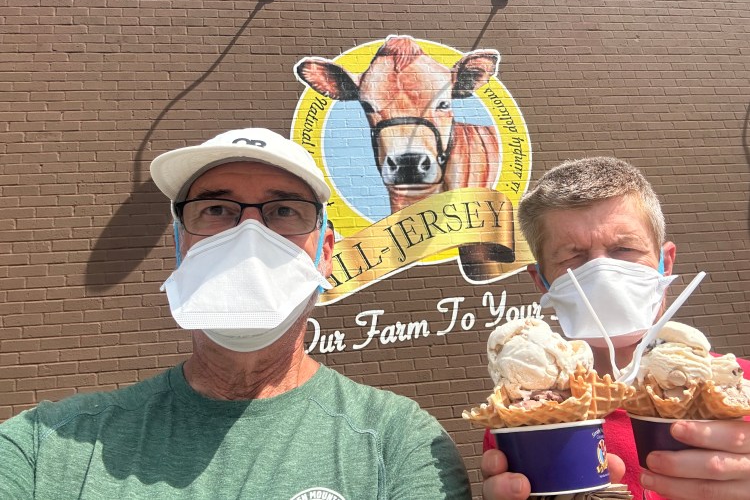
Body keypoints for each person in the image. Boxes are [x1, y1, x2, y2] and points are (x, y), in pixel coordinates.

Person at [0, 127, 471, 499]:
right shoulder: (46, 447)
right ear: (180, 244)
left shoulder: (399, 445)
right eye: (217, 209)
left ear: (324, 253)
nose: (248, 235)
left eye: (283, 211)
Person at [480, 156, 750, 500]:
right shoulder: (517, 419)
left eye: (624, 248)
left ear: (665, 263)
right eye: (572, 257)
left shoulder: (741, 387)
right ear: (542, 281)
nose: (603, 275)